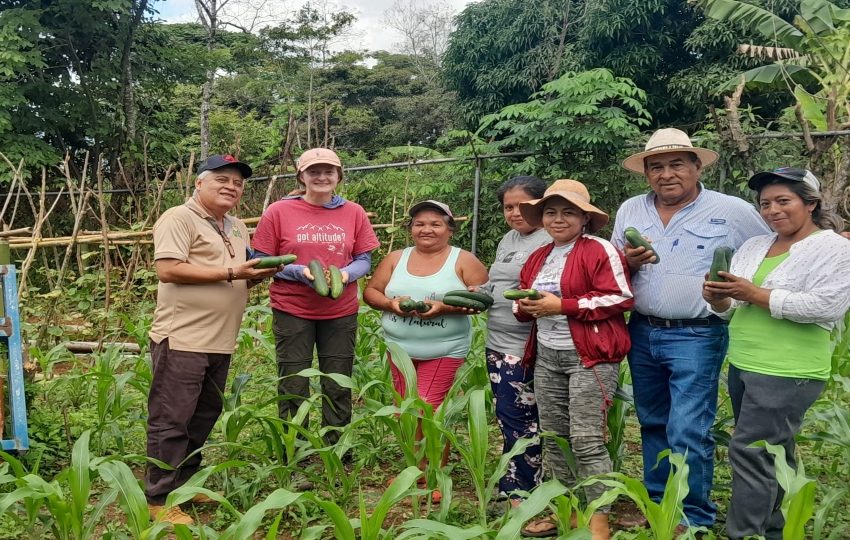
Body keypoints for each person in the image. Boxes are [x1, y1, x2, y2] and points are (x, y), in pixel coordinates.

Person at [611, 128, 772, 532]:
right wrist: (629, 261)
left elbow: (767, 254)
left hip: (698, 333)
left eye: (677, 164)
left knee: (687, 427)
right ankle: (658, 504)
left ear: (697, 167)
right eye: (656, 167)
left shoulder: (731, 211)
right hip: (642, 330)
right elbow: (613, 266)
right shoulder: (631, 209)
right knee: (651, 420)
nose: (666, 174)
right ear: (646, 173)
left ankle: (691, 516)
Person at [702, 168, 850, 540]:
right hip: (745, 362)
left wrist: (753, 293)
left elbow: (826, 306)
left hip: (787, 369)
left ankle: (743, 534)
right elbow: (733, 308)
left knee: (750, 452)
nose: (773, 210)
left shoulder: (835, 249)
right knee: (771, 452)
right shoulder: (755, 245)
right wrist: (718, 299)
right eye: (765, 203)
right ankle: (770, 531)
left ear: (810, 203)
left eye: (784, 201)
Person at [145, 154, 280, 525]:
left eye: (237, 182)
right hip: (183, 337)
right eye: (222, 179)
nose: (231, 187)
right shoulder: (178, 218)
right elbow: (168, 269)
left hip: (220, 340)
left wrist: (255, 275)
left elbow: (234, 276)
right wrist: (233, 271)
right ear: (199, 183)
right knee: (172, 419)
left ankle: (184, 484)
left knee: (203, 415)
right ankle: (159, 498)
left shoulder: (236, 226)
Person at [514, 179, 634, 539]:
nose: (558, 219)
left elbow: (620, 297)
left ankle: (598, 521)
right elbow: (522, 302)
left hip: (590, 357)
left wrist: (562, 305)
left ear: (585, 218)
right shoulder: (539, 257)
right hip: (547, 355)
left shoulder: (599, 250)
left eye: (569, 212)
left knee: (586, 439)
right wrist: (525, 307)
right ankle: (564, 511)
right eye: (550, 212)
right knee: (554, 437)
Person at [252, 148, 380, 446]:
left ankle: (336, 446)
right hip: (292, 309)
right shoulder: (278, 212)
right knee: (293, 380)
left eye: (328, 171)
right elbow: (262, 259)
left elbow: (364, 259)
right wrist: (297, 271)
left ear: (339, 176)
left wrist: (346, 274)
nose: (321, 177)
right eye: (313, 171)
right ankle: (294, 447)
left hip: (340, 310)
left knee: (337, 380)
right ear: (301, 176)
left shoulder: (354, 212)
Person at [363, 200, 489, 501]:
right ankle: (414, 468)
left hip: (444, 349)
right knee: (405, 409)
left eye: (435, 223)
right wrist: (390, 304)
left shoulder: (464, 260)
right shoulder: (396, 258)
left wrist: (444, 307)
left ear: (450, 229)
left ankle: (434, 472)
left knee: (429, 408)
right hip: (400, 349)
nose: (426, 229)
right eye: (419, 224)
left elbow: (483, 299)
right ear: (411, 229)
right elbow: (371, 291)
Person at [483, 176, 550, 507]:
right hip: (497, 340)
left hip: (525, 345)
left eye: (523, 206)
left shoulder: (551, 238)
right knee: (508, 415)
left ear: (541, 204)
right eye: (508, 207)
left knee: (522, 417)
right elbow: (497, 282)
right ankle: (514, 483)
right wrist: (479, 292)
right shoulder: (508, 239)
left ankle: (524, 493)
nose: (514, 213)